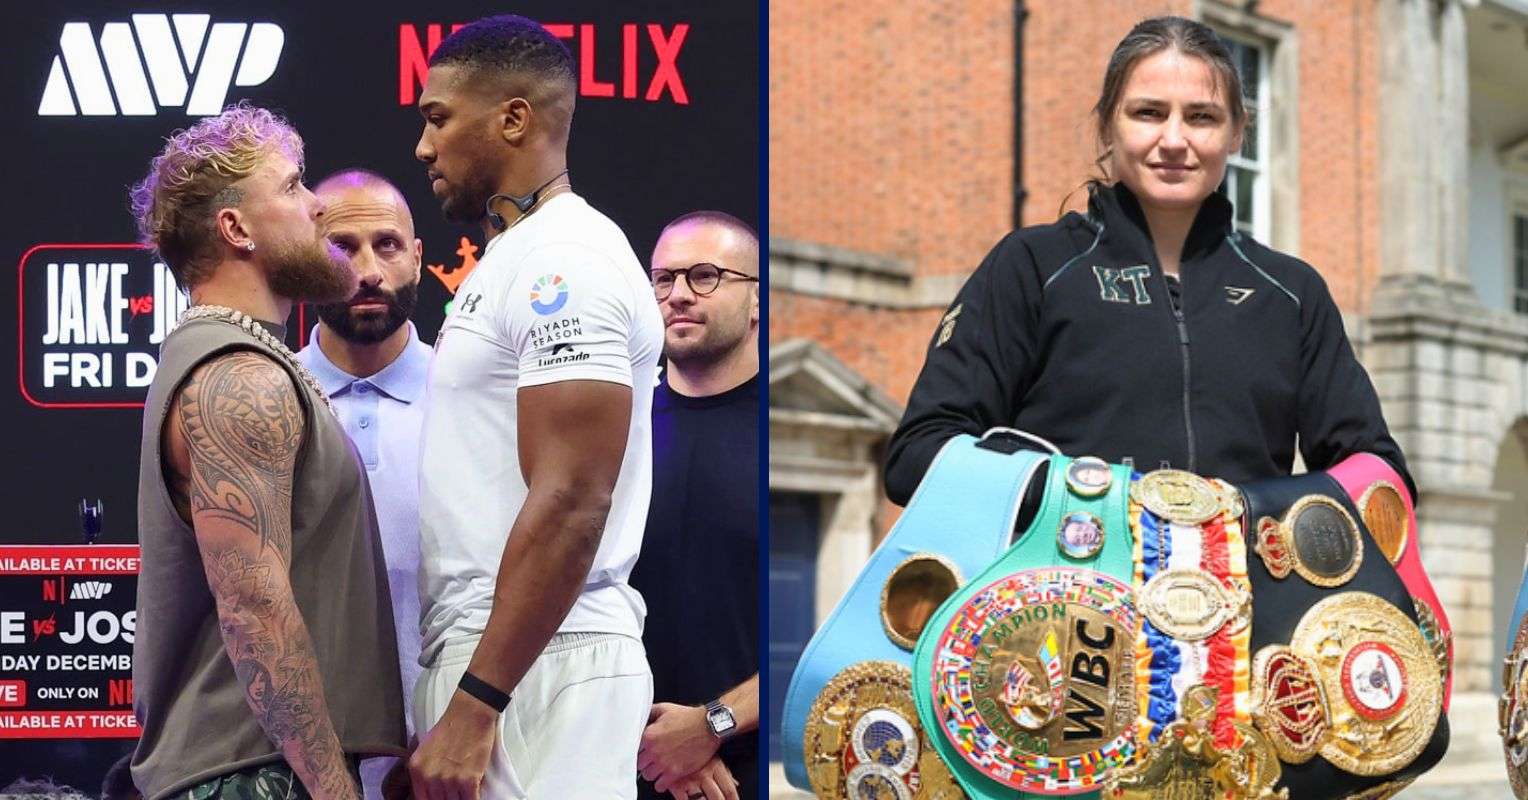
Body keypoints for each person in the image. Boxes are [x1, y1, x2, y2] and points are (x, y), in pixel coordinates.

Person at [884, 16, 1415, 508]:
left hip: (1243, 579)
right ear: (1107, 126)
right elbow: (919, 454)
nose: (1174, 140)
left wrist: (1253, 517)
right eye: (1148, 113)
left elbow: (1379, 477)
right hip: (1066, 576)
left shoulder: (1291, 293)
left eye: (1202, 117)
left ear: (1237, 133)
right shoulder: (1032, 267)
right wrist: (1095, 498)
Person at [407, 15, 664, 800]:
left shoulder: (565, 260)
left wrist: (475, 704)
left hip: (541, 661)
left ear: (514, 119)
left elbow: (574, 498)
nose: (423, 147)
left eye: (439, 118)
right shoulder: (518, 255)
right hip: (509, 656)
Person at [129, 104, 406, 799]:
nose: (318, 207)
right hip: (248, 773)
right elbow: (253, 608)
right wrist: (333, 791)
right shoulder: (238, 375)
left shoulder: (245, 359)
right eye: (292, 186)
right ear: (236, 229)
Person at [294, 169, 432, 800]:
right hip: (301, 759)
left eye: (388, 245)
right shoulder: (268, 397)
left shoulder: (474, 397)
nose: (368, 270)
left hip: (454, 749)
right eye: (341, 247)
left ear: (419, 257)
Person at [630, 212, 761, 800]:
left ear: (756, 300)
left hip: (745, 776)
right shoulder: (617, 428)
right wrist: (662, 747)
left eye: (705, 276)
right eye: (664, 279)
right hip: (618, 765)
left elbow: (821, 633)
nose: (678, 295)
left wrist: (711, 725)